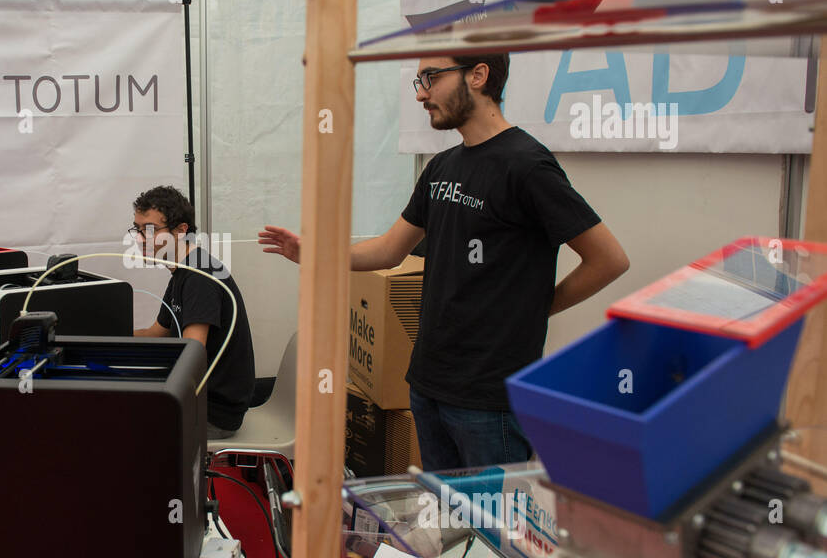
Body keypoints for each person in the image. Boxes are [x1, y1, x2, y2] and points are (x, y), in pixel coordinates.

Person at [259, 54, 629, 471]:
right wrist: (315, 254)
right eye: (419, 80)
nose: (421, 93)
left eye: (431, 78)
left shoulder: (526, 165)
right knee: (448, 525)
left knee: (494, 532)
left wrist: (535, 309)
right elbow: (389, 250)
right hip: (428, 383)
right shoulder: (443, 166)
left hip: (489, 397)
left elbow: (608, 259)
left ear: (479, 74)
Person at [131, 185, 255, 438]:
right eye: (138, 229)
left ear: (181, 230)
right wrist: (108, 335)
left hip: (214, 413)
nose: (140, 239)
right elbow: (158, 332)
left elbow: (192, 351)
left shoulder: (200, 276)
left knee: (126, 423)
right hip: (200, 401)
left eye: (151, 230)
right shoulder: (182, 271)